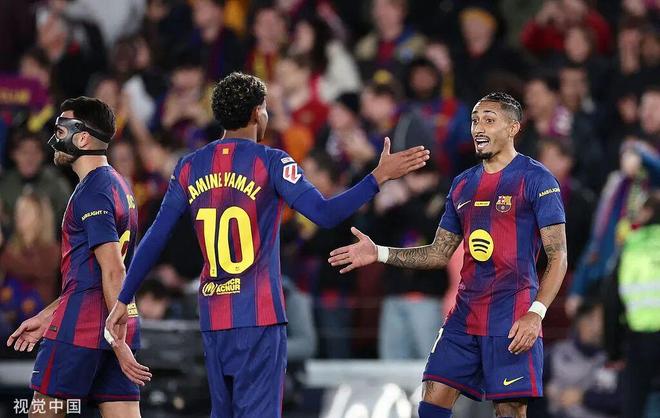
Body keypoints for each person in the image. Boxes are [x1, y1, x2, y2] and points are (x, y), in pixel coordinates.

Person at [105, 72, 430, 418]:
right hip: (258, 317)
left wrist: (123, 298)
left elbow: (155, 237)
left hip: (213, 316)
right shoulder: (272, 162)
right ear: (257, 113)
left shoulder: (188, 166)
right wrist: (377, 177)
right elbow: (325, 214)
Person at [329, 92, 568, 418]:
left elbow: (558, 256)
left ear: (513, 128)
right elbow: (438, 253)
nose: (478, 128)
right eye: (474, 120)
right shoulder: (462, 185)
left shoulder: (537, 179)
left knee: (510, 411)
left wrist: (535, 313)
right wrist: (379, 252)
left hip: (511, 318)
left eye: (489, 120)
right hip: (463, 318)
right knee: (430, 404)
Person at [5, 97, 151, 418]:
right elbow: (92, 276)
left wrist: (117, 342)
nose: (53, 140)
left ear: (82, 138)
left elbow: (113, 271)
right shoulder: (119, 185)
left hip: (84, 330)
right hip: (118, 323)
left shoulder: (93, 191)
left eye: (60, 130)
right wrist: (49, 316)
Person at [617, 191, 660, 418]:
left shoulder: (632, 244)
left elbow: (612, 297)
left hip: (639, 337)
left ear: (650, 212)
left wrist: (613, 349)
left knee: (634, 403)